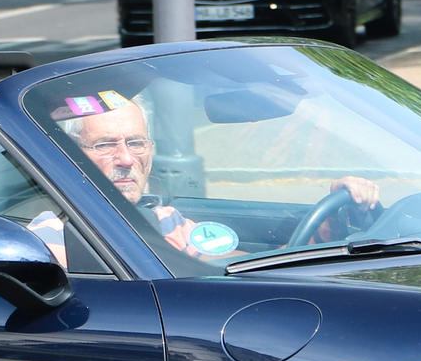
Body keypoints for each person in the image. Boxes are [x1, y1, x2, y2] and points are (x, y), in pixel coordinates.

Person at [47, 93, 380, 262]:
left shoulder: (163, 219)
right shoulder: (54, 238)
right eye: (105, 145)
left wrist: (325, 231)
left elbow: (238, 269)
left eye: (136, 143)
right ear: (71, 155)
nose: (126, 159)